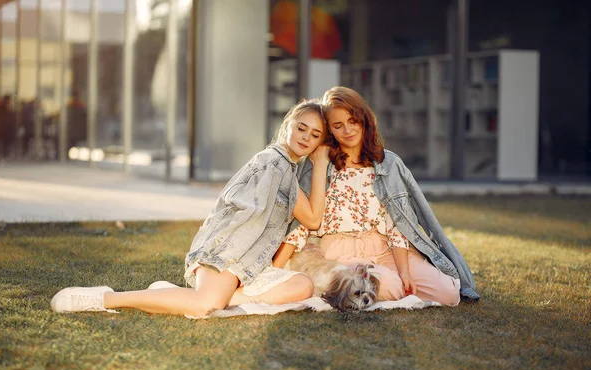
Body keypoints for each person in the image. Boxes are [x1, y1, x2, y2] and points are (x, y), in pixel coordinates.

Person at [51, 98, 330, 317]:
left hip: (247, 263)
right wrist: (225, 265)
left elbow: (313, 219)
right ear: (288, 125)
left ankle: (191, 296)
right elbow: (245, 220)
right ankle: (104, 298)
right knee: (204, 306)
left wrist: (320, 163)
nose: (305, 137)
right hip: (228, 252)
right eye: (301, 128)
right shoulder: (274, 163)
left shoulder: (288, 173)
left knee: (302, 285)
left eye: (315, 135)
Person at [273, 86, 480, 305]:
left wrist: (405, 272)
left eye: (353, 121)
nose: (347, 130)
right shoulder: (318, 164)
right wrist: (275, 271)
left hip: (385, 249)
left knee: (447, 293)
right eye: (338, 125)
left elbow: (398, 225)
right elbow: (301, 223)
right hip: (339, 252)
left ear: (364, 120)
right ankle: (354, 288)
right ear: (329, 131)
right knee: (387, 284)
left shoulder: (388, 163)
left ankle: (352, 291)